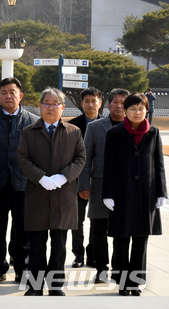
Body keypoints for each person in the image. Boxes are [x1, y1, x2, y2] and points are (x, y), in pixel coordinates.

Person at [18, 87, 86, 296]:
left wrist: (63, 176)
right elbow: (23, 158)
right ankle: (35, 286)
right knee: (36, 245)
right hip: (37, 194)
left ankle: (55, 285)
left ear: (62, 107)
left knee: (59, 246)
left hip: (63, 196)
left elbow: (80, 158)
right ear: (40, 106)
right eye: (46, 103)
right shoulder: (29, 132)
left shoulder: (74, 132)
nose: (50, 107)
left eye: (55, 103)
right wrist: (41, 178)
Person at [102, 93, 166, 296]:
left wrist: (162, 192)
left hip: (146, 195)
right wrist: (107, 193)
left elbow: (159, 165)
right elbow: (108, 166)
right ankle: (122, 282)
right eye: (133, 109)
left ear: (147, 110)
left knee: (141, 240)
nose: (137, 112)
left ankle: (135, 282)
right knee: (121, 239)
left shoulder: (154, 133)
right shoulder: (114, 134)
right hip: (121, 194)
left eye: (141, 108)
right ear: (125, 111)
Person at [0, 77, 38, 284]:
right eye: (3, 92)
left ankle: (22, 269)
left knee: (23, 231)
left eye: (12, 92)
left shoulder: (32, 121)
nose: (8, 96)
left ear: (20, 95)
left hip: (24, 184)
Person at [79, 88, 129, 283]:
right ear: (108, 105)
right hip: (99, 186)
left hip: (125, 189)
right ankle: (101, 269)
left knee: (121, 231)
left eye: (123, 102)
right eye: (115, 102)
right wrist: (83, 185)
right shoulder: (95, 127)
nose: (119, 106)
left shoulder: (133, 127)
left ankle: (119, 269)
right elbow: (85, 159)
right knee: (98, 230)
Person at [67, 87, 102, 269]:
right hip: (77, 180)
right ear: (82, 104)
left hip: (99, 180)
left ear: (100, 103)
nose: (90, 104)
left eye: (93, 101)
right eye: (86, 101)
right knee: (77, 221)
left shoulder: (106, 125)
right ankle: (78, 254)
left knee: (96, 221)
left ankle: (93, 253)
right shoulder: (72, 126)